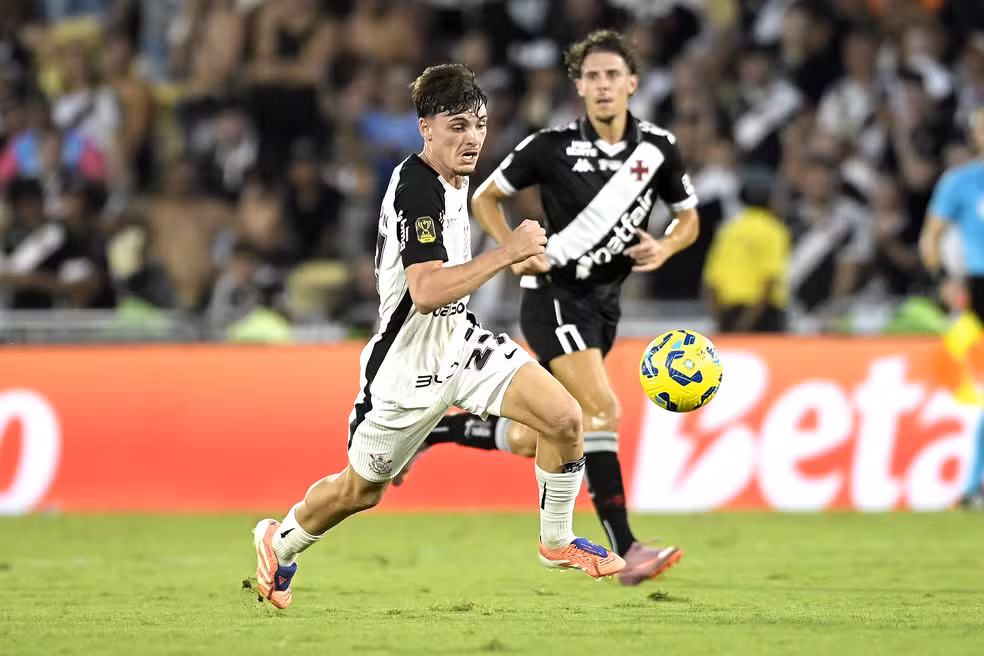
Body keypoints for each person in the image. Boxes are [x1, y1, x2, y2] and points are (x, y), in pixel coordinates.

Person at [252, 64, 625, 610]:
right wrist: (508, 252)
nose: (472, 137)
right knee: (361, 491)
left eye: (478, 124)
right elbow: (425, 290)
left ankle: (557, 541)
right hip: (407, 363)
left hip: (461, 341)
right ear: (425, 127)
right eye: (457, 126)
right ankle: (279, 541)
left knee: (565, 418)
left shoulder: (456, 175)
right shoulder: (416, 188)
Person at [396, 31, 700, 585]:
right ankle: (626, 547)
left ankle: (441, 430)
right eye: (592, 76)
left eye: (613, 75)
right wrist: (514, 251)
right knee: (602, 410)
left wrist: (668, 244)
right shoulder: (550, 146)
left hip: (605, 306)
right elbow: (487, 197)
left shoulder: (658, 148)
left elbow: (689, 217)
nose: (603, 85)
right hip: (553, 297)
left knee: (546, 432)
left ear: (632, 83)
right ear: (578, 86)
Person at [919, 103, 984, 509]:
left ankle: (972, 485)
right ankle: (972, 484)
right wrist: (944, 280)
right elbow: (931, 239)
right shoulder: (961, 182)